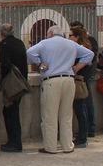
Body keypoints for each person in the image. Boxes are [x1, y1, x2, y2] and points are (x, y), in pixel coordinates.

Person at [26, 25, 93, 154]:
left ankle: (50, 146)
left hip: (51, 80)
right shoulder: (71, 44)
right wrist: (77, 67)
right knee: (66, 115)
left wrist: (39, 63)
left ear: (50, 33)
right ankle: (67, 145)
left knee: (49, 116)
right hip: (69, 80)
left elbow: (30, 52)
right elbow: (89, 54)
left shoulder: (45, 43)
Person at [0, 23, 28, 152]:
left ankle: (14, 143)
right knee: (13, 110)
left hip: (11, 82)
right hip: (22, 81)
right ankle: (15, 141)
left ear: (1, 33)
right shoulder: (20, 43)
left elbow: (5, 64)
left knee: (10, 111)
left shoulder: (3, 45)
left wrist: (1, 79)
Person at [70, 21, 98, 136]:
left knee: (86, 102)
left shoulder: (88, 42)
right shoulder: (77, 45)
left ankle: (90, 128)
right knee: (83, 103)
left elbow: (92, 57)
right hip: (82, 75)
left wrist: (78, 67)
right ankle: (87, 128)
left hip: (84, 75)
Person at [68, 26, 94, 147]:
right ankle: (82, 135)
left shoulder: (81, 49)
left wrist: (77, 67)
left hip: (80, 80)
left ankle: (82, 136)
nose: (68, 38)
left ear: (77, 37)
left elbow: (89, 56)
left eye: (71, 35)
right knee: (81, 107)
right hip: (81, 79)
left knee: (80, 107)